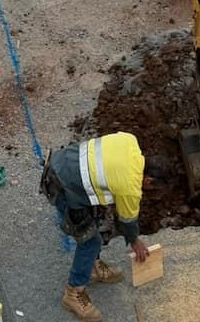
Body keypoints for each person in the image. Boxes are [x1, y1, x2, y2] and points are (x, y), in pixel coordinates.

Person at [41, 131, 163, 321]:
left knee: (97, 215)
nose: (148, 191)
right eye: (151, 188)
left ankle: (92, 266)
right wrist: (135, 241)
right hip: (63, 187)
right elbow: (127, 221)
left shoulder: (130, 141)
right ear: (149, 180)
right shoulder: (130, 186)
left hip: (63, 162)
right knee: (90, 240)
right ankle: (73, 293)